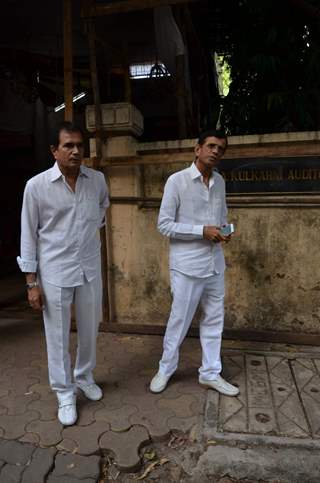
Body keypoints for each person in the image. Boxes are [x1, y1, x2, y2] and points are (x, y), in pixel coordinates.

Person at [17, 121, 109, 425]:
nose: (76, 151)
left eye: (80, 145)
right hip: (54, 271)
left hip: (89, 268)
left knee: (90, 327)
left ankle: (84, 376)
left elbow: (101, 213)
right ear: (54, 151)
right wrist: (32, 282)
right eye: (68, 145)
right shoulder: (37, 186)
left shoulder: (96, 181)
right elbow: (29, 235)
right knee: (56, 336)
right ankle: (64, 392)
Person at [150, 129, 239, 397]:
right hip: (187, 266)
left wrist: (225, 230)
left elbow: (221, 216)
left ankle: (210, 373)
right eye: (211, 146)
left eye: (220, 149)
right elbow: (163, 225)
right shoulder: (177, 181)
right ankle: (165, 368)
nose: (215, 151)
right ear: (197, 149)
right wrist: (202, 231)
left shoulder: (220, 182)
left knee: (214, 320)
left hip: (214, 264)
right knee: (180, 320)